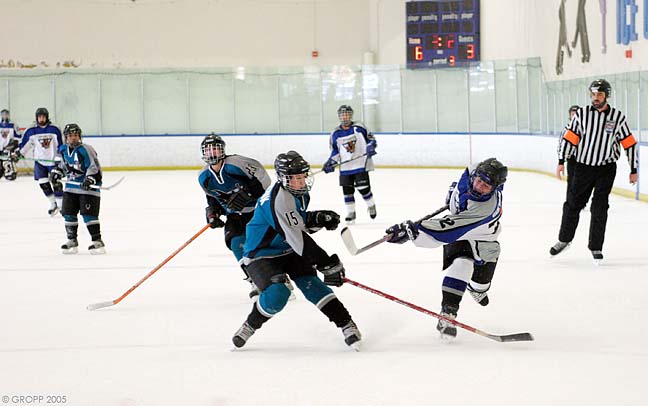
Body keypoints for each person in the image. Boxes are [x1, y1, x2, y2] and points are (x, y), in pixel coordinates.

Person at [232, 150, 362, 350]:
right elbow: (298, 239)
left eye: (303, 176)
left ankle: (346, 324)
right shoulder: (278, 199)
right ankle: (250, 325)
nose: (301, 182)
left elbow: (295, 223)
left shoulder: (298, 193)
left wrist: (317, 218)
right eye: (296, 178)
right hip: (261, 254)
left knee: (313, 285)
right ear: (283, 178)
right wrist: (326, 263)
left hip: (288, 248)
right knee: (278, 294)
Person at [384, 158, 508, 339]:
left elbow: (444, 231)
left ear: (494, 188)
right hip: (461, 230)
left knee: (480, 286)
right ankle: (448, 314)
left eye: (486, 186)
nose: (479, 186)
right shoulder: (474, 170)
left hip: (483, 237)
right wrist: (454, 194)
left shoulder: (483, 210)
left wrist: (413, 231)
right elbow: (468, 175)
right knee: (462, 264)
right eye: (479, 180)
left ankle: (477, 289)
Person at [551, 79, 638, 264]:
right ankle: (564, 239)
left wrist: (633, 168)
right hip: (583, 167)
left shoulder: (617, 117)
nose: (596, 97)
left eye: (599, 94)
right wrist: (561, 161)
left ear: (607, 96)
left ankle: (596, 246)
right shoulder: (581, 114)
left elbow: (629, 144)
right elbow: (570, 139)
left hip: (606, 169)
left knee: (600, 207)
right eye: (593, 94)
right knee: (573, 204)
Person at [198, 133, 272, 298]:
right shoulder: (203, 177)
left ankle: (279, 279)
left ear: (222, 150)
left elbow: (263, 179)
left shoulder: (236, 164)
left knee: (263, 246)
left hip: (258, 212)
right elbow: (212, 198)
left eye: (215, 149)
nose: (212, 153)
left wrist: (248, 194)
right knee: (236, 243)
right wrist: (213, 213)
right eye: (208, 150)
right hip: (234, 216)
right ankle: (255, 280)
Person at [49, 124, 106, 254]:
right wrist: (57, 173)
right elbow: (63, 167)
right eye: (70, 135)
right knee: (68, 214)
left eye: (75, 135)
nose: (73, 138)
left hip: (88, 189)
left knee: (89, 215)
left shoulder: (86, 149)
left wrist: (90, 179)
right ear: (66, 137)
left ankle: (97, 242)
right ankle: (72, 241)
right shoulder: (63, 150)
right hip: (71, 188)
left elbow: (95, 168)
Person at [322, 105, 378, 224]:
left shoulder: (359, 127)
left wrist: (370, 146)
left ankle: (371, 205)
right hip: (345, 167)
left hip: (360, 164)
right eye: (342, 114)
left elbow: (371, 139)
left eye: (347, 114)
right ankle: (351, 213)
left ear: (351, 115)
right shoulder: (335, 133)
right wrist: (331, 162)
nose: (345, 117)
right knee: (347, 191)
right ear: (339, 116)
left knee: (364, 189)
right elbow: (335, 151)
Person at [13, 107, 63, 216]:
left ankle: (61, 205)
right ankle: (53, 203)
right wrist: (18, 153)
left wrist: (60, 158)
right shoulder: (31, 130)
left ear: (47, 117)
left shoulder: (54, 129)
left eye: (43, 117)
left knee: (56, 183)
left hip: (53, 161)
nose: (41, 119)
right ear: (36, 118)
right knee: (43, 184)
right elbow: (25, 144)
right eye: (39, 117)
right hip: (40, 162)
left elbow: (61, 144)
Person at [0, 110, 20, 181]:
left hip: (8, 148)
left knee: (7, 161)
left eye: (6, 114)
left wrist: (14, 146)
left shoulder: (13, 124)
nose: (5, 116)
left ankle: (10, 172)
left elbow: (18, 137)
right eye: (3, 114)